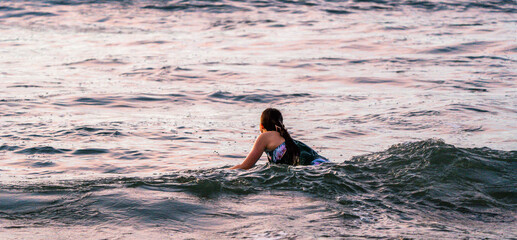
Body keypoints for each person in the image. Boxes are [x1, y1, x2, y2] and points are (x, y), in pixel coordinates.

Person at [230, 108, 329, 170]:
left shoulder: (264, 136)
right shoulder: (286, 139)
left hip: (311, 167)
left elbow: (246, 166)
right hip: (321, 163)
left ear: (261, 125)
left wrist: (221, 173)